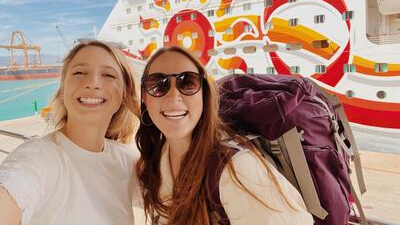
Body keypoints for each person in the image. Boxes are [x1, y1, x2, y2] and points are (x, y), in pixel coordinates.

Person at [136, 46, 313, 225]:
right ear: (144, 96)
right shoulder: (157, 158)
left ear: (205, 94)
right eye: (158, 85)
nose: (173, 96)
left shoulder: (236, 168)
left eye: (188, 83)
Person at [0, 40, 141, 225]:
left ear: (125, 94)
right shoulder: (38, 157)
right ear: (63, 90)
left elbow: (176, 196)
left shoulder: (127, 159)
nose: (92, 83)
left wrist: (147, 118)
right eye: (79, 72)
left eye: (108, 75)